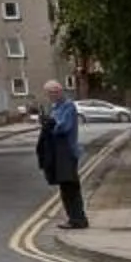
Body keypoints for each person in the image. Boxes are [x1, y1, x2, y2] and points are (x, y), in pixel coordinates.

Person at [36, 81, 88, 229]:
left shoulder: (68, 106)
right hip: (59, 153)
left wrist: (51, 123)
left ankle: (78, 219)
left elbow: (64, 127)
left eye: (54, 92)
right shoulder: (55, 107)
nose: (52, 95)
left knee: (70, 186)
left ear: (60, 91)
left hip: (68, 152)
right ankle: (74, 218)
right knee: (65, 188)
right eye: (50, 93)